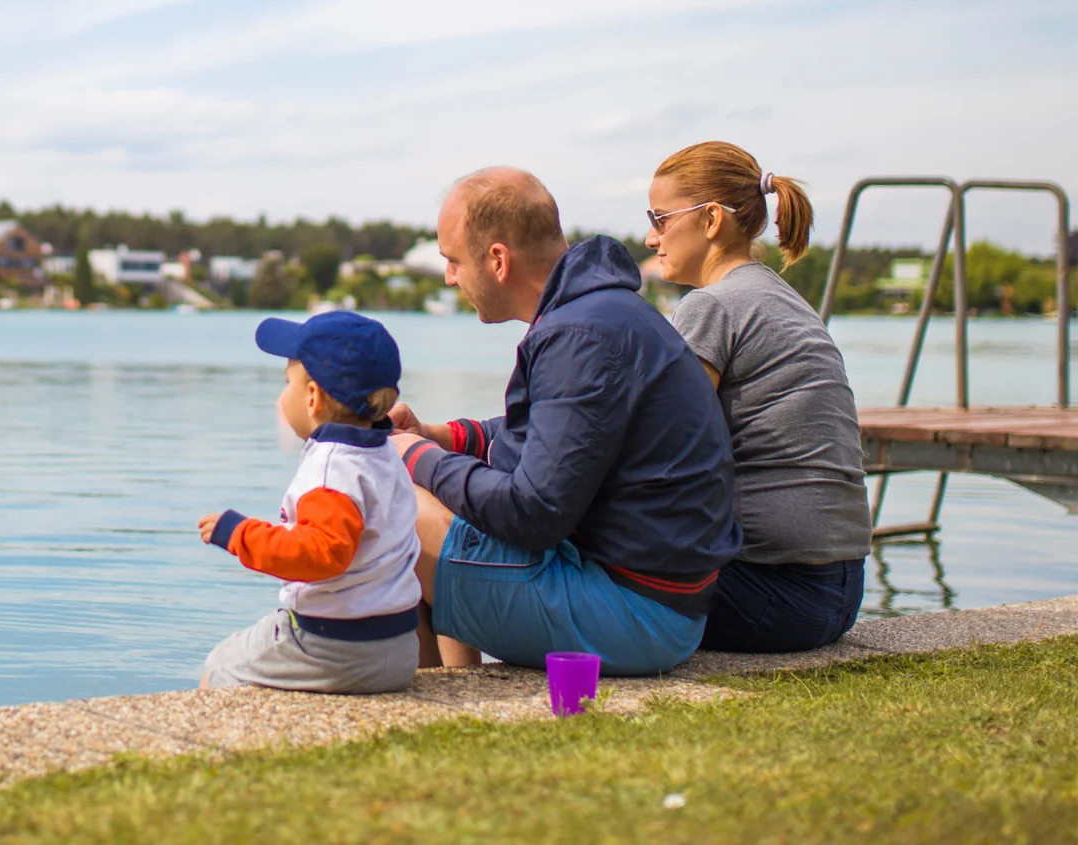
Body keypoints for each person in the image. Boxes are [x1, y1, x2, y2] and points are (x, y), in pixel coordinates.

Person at [389, 167, 741, 675]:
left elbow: (533, 513)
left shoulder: (579, 335)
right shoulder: (599, 311)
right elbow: (552, 432)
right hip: (653, 598)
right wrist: (438, 437)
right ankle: (454, 684)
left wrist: (415, 457)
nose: (449, 277)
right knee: (423, 492)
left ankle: (446, 691)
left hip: (636, 616)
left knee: (392, 505)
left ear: (498, 260)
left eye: (453, 260)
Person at [646, 141, 873, 653]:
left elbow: (664, 449)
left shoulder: (711, 305)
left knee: (567, 560)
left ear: (709, 220)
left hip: (774, 594)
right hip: (839, 591)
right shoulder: (779, 296)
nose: (650, 235)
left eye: (660, 218)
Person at [197, 311, 422, 692]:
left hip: (335, 647)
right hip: (398, 646)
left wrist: (240, 533)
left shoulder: (331, 469)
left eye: (288, 383)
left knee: (222, 663)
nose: (282, 395)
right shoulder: (383, 455)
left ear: (313, 397)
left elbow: (322, 552)